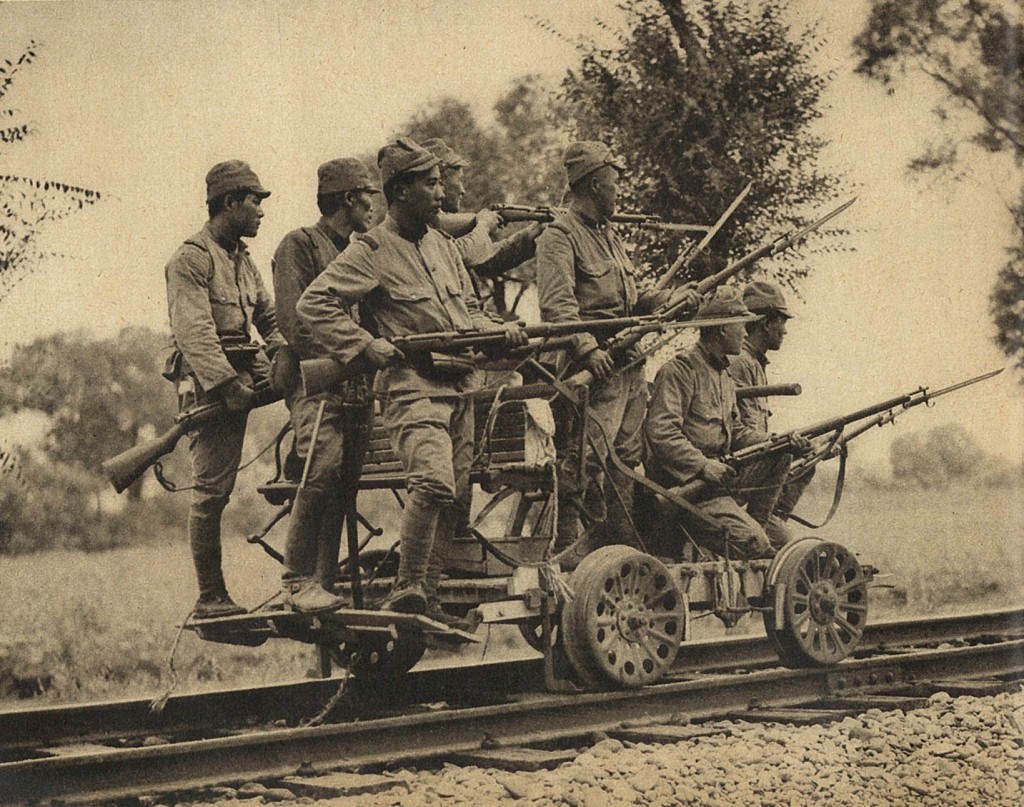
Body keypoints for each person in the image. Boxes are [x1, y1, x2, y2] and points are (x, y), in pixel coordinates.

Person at [296, 137, 527, 617]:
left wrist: (499, 332)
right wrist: (363, 344)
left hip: (461, 387)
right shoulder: (372, 250)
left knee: (455, 497)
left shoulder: (441, 245)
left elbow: (469, 312)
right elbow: (314, 304)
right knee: (434, 483)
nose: (441, 192)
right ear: (400, 191)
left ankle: (431, 596)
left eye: (441, 180)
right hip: (412, 389)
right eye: (431, 182)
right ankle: (409, 588)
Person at [534, 140, 698, 564]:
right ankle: (568, 549)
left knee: (626, 460)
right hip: (591, 368)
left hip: (627, 365)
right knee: (586, 459)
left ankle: (613, 544)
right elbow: (557, 305)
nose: (618, 193)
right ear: (592, 185)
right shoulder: (559, 237)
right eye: (612, 184)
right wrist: (588, 350)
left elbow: (631, 300)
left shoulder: (609, 237)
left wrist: (666, 299)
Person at [164, 160, 286, 618]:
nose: (260, 211)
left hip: (242, 369)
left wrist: (284, 356)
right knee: (212, 491)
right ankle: (210, 597)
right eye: (254, 201)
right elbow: (194, 333)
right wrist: (227, 385)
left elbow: (269, 320)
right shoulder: (192, 259)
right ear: (231, 202)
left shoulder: (243, 258)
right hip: (207, 380)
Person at [271, 158, 382, 613]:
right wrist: (355, 352)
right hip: (316, 383)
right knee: (322, 468)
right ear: (348, 199)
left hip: (356, 385)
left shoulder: (361, 249)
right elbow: (295, 323)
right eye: (368, 195)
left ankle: (324, 583)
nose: (374, 205)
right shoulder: (298, 245)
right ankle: (296, 581)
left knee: (344, 482)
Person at [644, 287, 809, 559]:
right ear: (722, 330)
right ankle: (755, 543)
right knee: (753, 543)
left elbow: (736, 432)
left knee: (781, 453)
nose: (746, 332)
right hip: (687, 485)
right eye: (741, 325)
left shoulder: (722, 376)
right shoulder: (680, 370)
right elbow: (661, 432)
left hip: (715, 481)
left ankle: (758, 529)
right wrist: (702, 465)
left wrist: (774, 442)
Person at [728, 280, 815, 525]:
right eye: (782, 321)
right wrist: (777, 442)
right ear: (766, 323)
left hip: (750, 464)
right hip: (731, 472)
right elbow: (733, 433)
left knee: (808, 457)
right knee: (784, 453)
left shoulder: (754, 364)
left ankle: (772, 520)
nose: (785, 330)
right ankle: (757, 529)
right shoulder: (739, 363)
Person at [421, 136, 542, 295]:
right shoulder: (423, 229)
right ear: (441, 182)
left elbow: (488, 261)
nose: (463, 190)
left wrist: (532, 234)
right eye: (459, 181)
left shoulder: (442, 227)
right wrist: (483, 225)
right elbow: (463, 254)